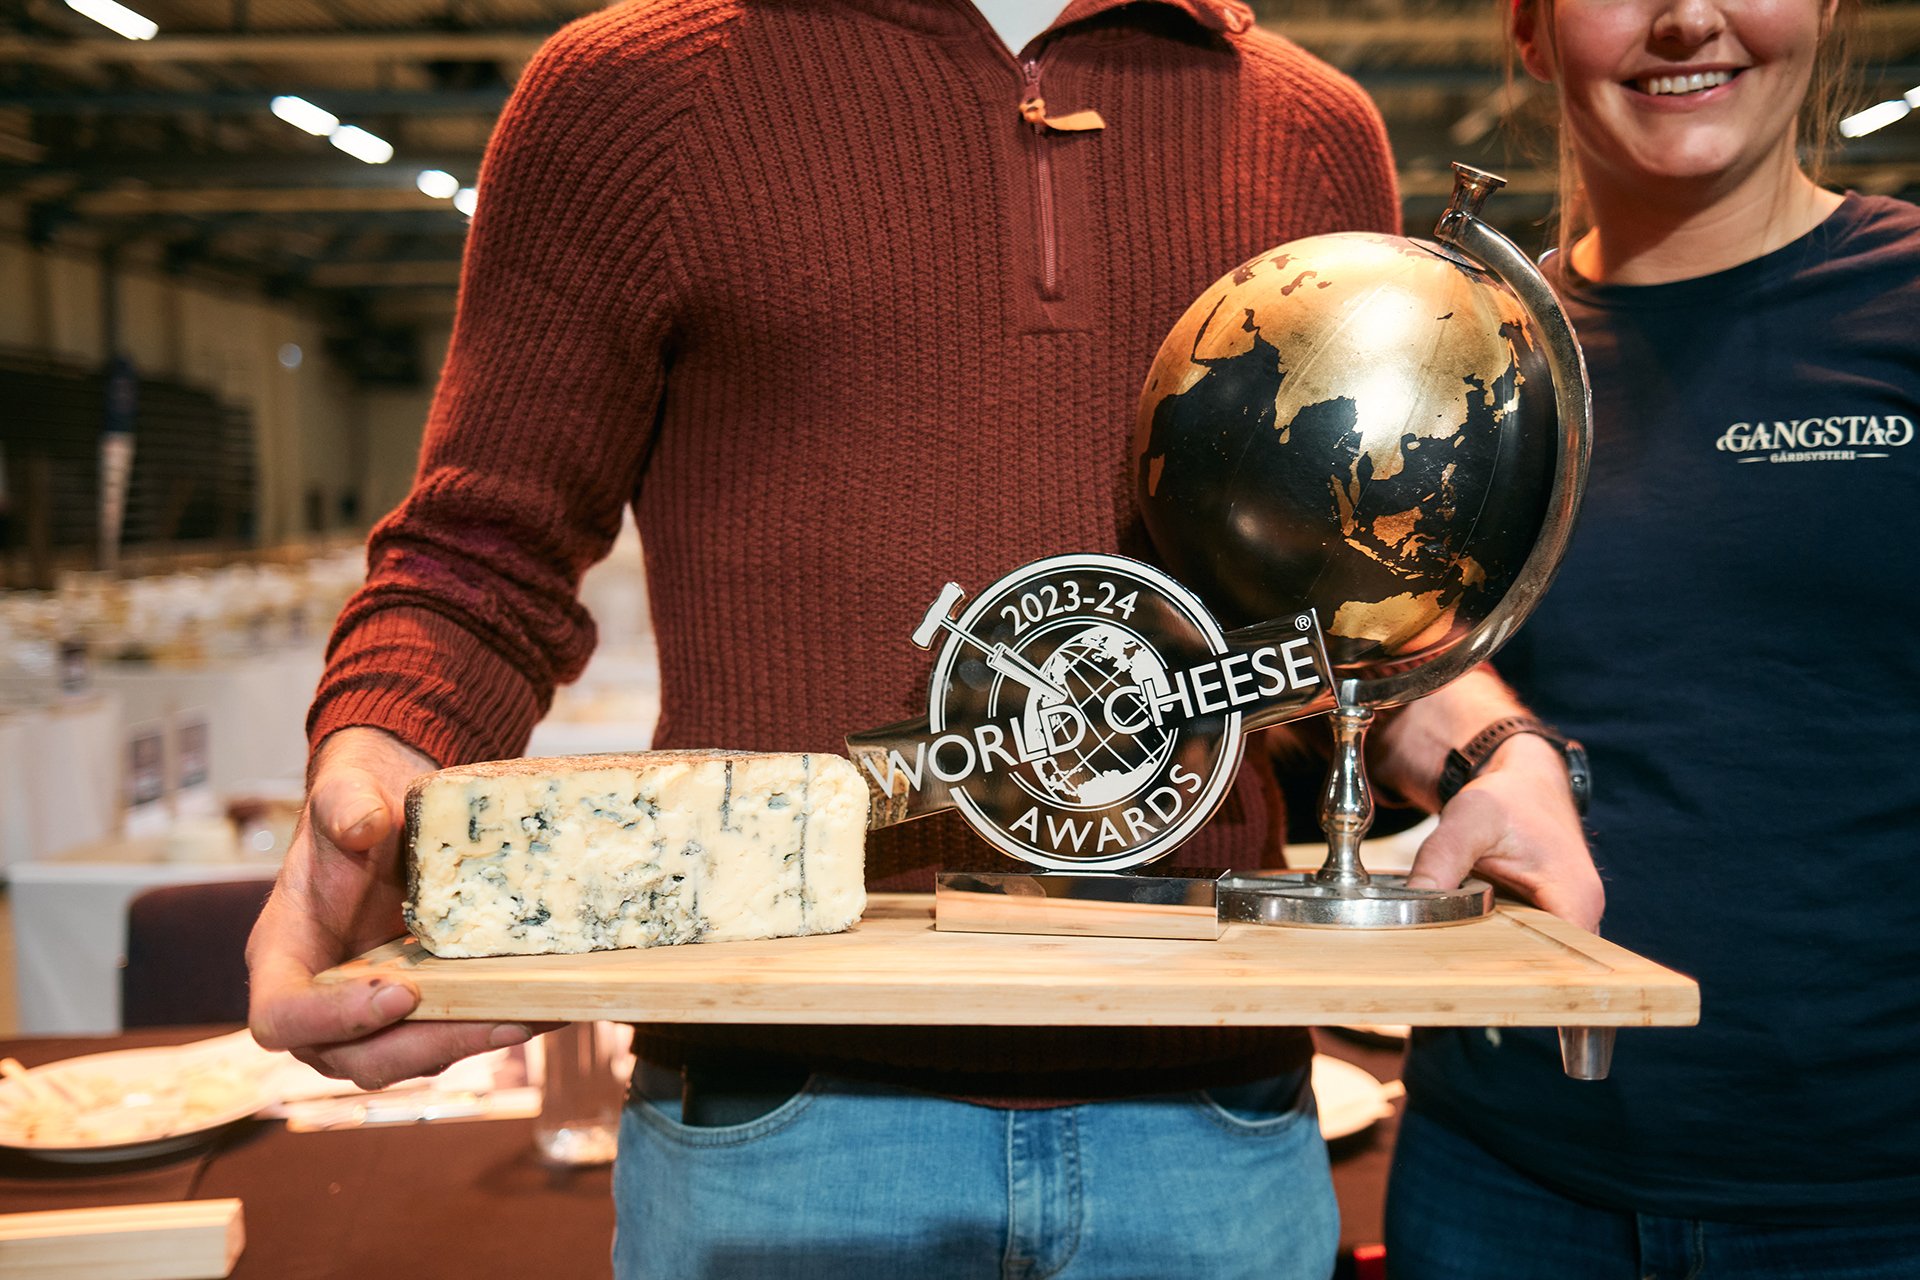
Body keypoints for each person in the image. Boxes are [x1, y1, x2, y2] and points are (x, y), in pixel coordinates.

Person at [244, 1, 1424, 1275]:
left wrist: (1483, 738)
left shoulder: (1308, 132)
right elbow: (488, 547)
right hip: (781, 1107)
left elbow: (1349, 580)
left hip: (1210, 1102)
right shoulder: (632, 93)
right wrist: (376, 751)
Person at [1379, 0, 1920, 1273]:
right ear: (1531, 30)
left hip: (1878, 1200)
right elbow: (1392, 670)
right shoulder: (1464, 364)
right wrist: (1476, 749)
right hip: (1506, 1178)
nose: (1687, 18)